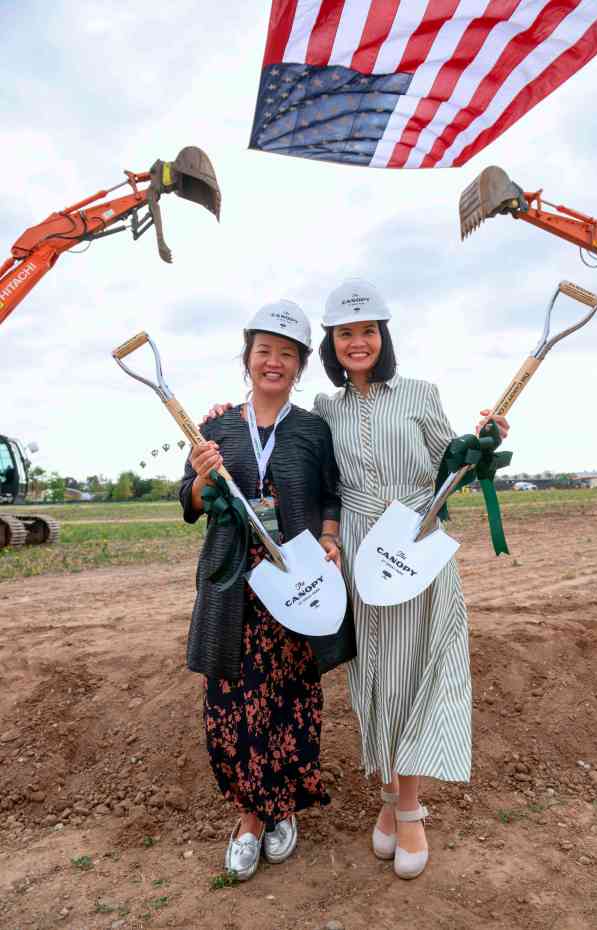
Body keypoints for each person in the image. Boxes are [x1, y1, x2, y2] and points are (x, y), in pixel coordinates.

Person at [204, 279, 509, 881]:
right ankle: (389, 801)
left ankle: (409, 807)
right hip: (358, 553)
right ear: (331, 344)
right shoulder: (326, 410)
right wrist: (220, 416)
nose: (358, 342)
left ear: (383, 336)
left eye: (368, 331)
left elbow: (453, 463)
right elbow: (308, 465)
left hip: (413, 542)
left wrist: (482, 442)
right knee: (376, 679)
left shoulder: (421, 394)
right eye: (345, 333)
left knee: (421, 671)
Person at [179, 300, 356, 882]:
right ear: (247, 358)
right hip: (235, 587)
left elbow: (330, 494)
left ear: (300, 365)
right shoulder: (216, 428)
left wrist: (329, 537)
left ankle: (282, 809)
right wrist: (203, 475)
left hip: (293, 585)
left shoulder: (311, 429)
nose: (273, 362)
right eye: (264, 351)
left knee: (290, 698)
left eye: (286, 353)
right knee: (232, 705)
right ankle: (250, 819)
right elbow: (190, 502)